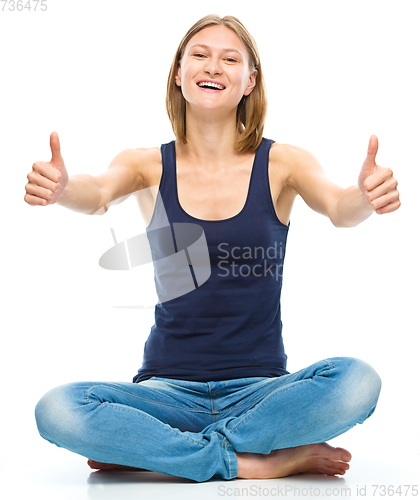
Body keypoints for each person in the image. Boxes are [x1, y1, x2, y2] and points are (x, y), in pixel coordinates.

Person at [26, 14, 400, 483]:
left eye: (231, 58)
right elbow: (98, 192)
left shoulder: (283, 162)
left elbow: (339, 206)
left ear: (250, 81)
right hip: (166, 393)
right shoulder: (145, 164)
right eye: (199, 55)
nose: (214, 66)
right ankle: (258, 459)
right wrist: (62, 189)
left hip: (261, 392)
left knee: (358, 381)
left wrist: (364, 197)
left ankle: (156, 451)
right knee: (58, 409)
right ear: (179, 73)